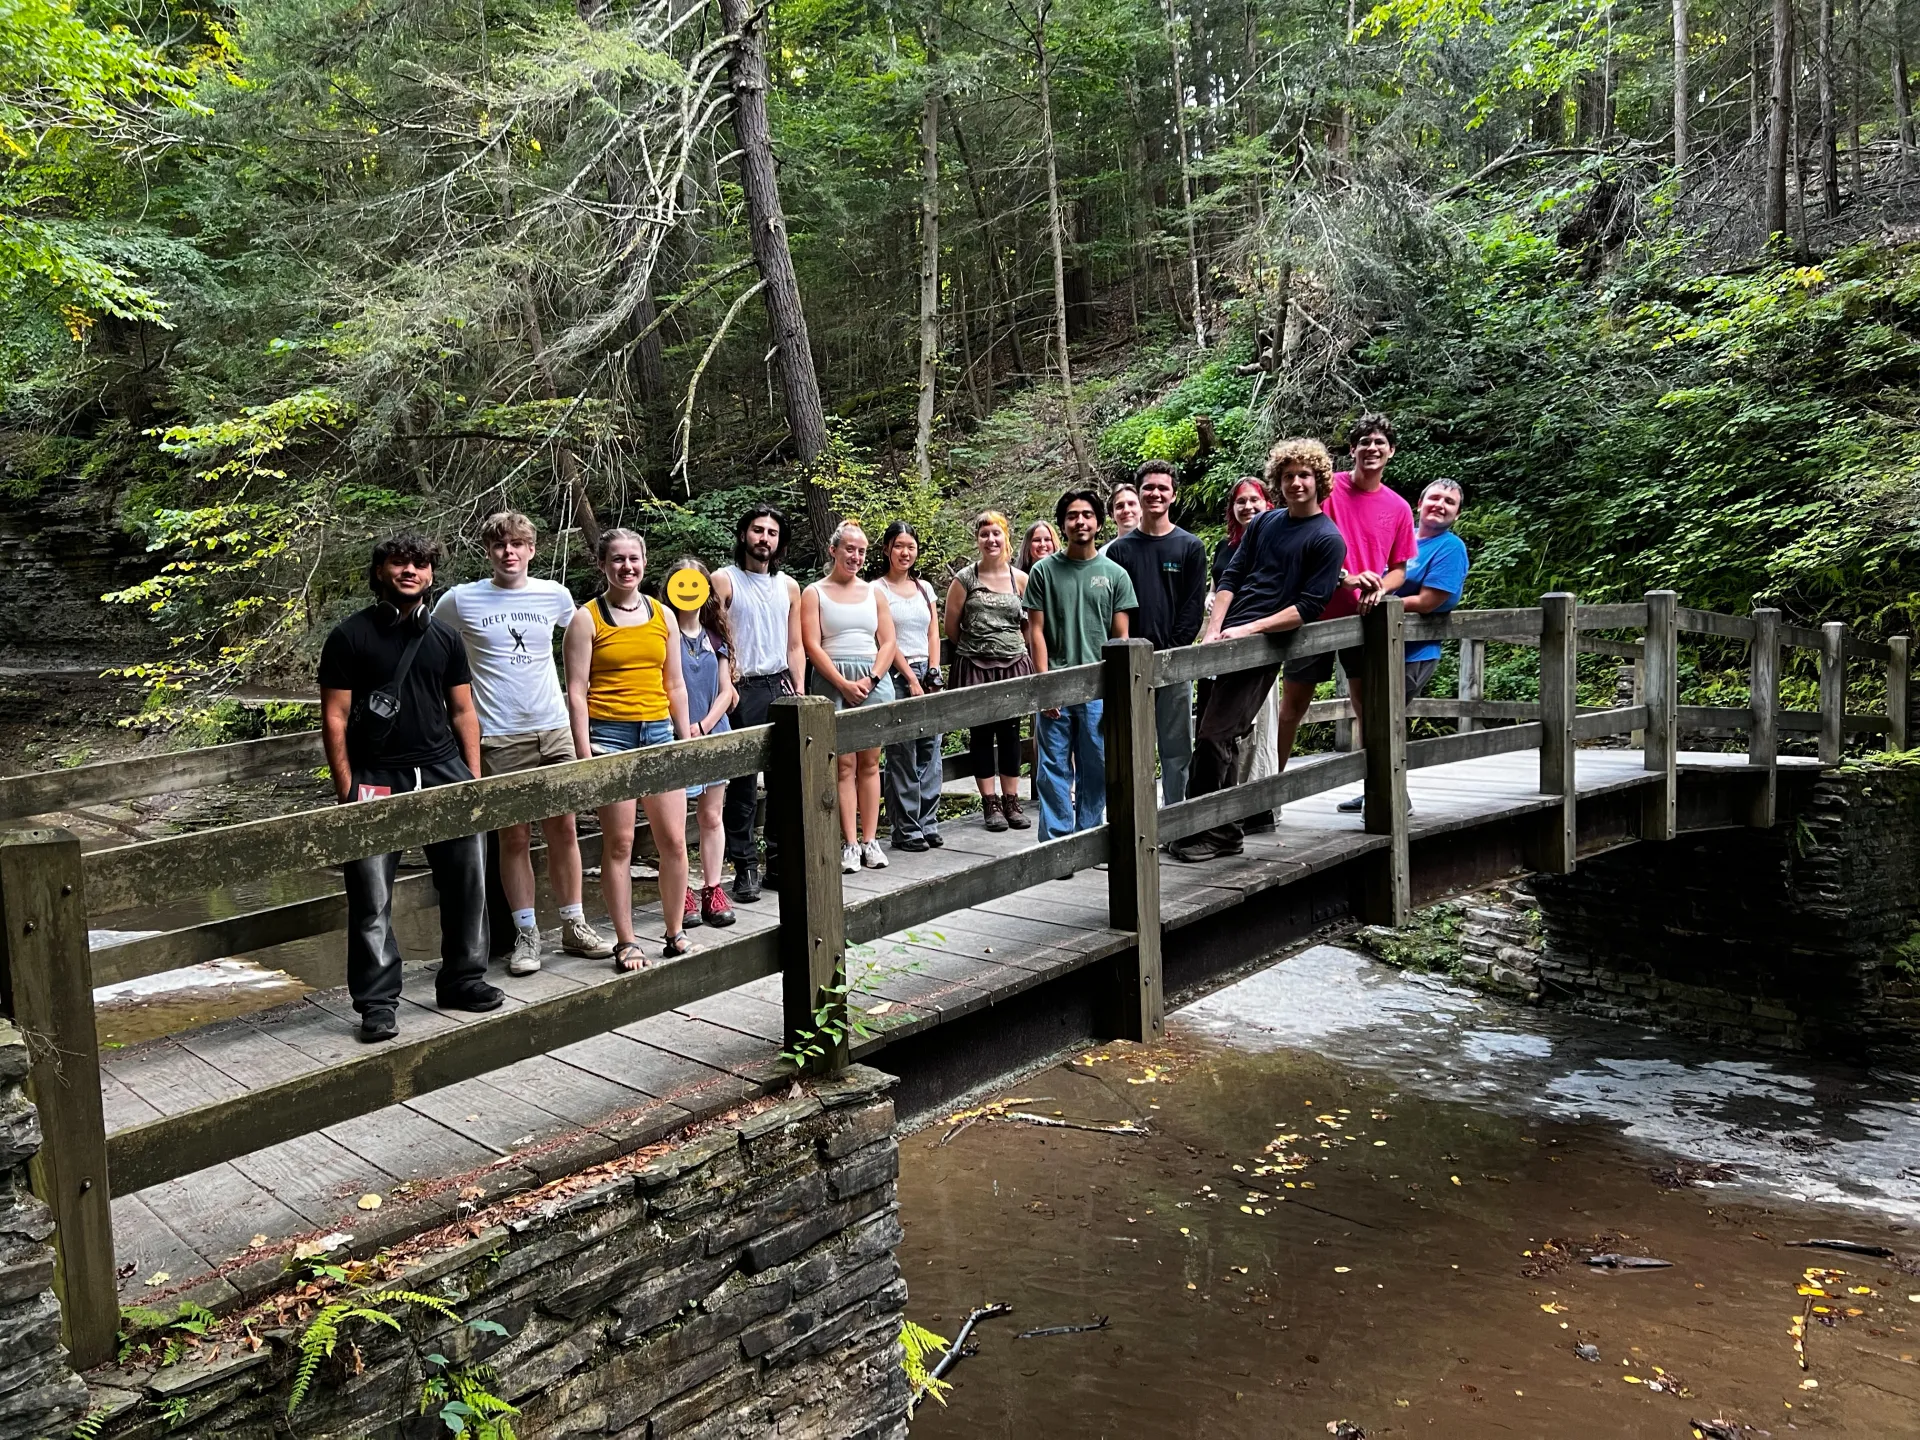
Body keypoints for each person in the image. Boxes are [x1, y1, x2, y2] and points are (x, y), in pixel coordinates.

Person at [319, 532, 501, 1043]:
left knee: (469, 882)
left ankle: (464, 979)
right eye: (399, 563)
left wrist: (472, 778)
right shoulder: (349, 637)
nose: (410, 572)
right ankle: (377, 1003)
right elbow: (334, 718)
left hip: (444, 772)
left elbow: (464, 710)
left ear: (431, 575)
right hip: (376, 777)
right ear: (380, 572)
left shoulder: (444, 637)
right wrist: (347, 787)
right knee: (372, 896)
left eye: (419, 565)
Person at [432, 511, 612, 976]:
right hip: (498, 733)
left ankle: (574, 924)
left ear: (532, 550)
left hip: (553, 727)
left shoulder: (554, 596)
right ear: (489, 552)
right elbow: (432, 649)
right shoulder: (461, 600)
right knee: (514, 837)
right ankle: (526, 935)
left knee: (564, 829)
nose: (508, 552)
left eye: (517, 544)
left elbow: (584, 649)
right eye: (499, 546)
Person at [1169, 440, 1345, 863]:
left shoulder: (1327, 539)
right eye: (1288, 476)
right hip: (1226, 641)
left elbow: (1307, 607)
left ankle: (1208, 827)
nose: (1296, 483)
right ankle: (1221, 830)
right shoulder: (1265, 524)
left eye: (1304, 475)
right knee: (1213, 736)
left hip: (1262, 646)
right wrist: (1214, 630)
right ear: (1278, 482)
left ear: (1319, 481)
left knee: (1217, 736)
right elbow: (1232, 575)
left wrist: (1250, 629)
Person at [563, 529, 694, 970]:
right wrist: (584, 751)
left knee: (673, 841)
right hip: (609, 737)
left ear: (644, 561)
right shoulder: (587, 619)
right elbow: (576, 691)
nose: (627, 567)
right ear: (603, 565)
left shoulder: (663, 616)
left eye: (633, 558)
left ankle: (674, 931)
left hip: (658, 733)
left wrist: (683, 738)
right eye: (617, 559)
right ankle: (626, 940)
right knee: (619, 843)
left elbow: (674, 683)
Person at [1274, 413, 1416, 790]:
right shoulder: (1326, 489)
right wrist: (1342, 578)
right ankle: (1268, 792)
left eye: (1379, 443)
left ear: (1391, 451)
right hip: (1313, 613)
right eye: (1364, 442)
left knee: (1368, 706)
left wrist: (1381, 588)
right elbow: (1299, 541)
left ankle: (1381, 791)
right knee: (1292, 708)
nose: (1372, 449)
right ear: (1351, 450)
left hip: (1364, 619)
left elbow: (1400, 568)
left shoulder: (1399, 507)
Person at [1335, 477, 1471, 812]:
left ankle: (1395, 797)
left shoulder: (1450, 548)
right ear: (1420, 503)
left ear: (1456, 513)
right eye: (1434, 498)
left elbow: (1429, 600)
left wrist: (1380, 600)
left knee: (1386, 718)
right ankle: (1374, 788)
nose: (1439, 505)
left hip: (1414, 652)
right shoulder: (1404, 538)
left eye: (1449, 502)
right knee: (1369, 715)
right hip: (1375, 646)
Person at [1023, 489, 1137, 841]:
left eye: (1087, 514)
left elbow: (1120, 637)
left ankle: (1088, 835)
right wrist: (1044, 686)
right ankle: (1058, 842)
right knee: (1052, 765)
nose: (1080, 521)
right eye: (1072, 516)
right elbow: (1035, 631)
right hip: (1057, 682)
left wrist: (1114, 689)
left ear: (1099, 522)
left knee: (1097, 763)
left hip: (1097, 687)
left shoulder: (1115, 575)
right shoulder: (1044, 572)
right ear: (1063, 523)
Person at [714, 505, 805, 902]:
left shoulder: (789, 586)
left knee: (786, 781)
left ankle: (779, 863)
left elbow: (795, 643)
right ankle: (745, 867)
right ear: (743, 535)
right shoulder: (724, 580)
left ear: (779, 541)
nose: (764, 538)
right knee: (744, 784)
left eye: (771, 532)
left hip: (780, 683)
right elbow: (714, 636)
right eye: (757, 530)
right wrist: (726, 681)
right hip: (742, 686)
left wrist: (799, 687)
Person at [1105, 460, 1207, 804]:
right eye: (1148, 487)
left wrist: (1171, 652)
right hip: (1130, 662)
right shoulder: (1121, 551)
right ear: (1139, 492)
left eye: (1163, 488)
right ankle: (1136, 819)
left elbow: (1193, 608)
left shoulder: (1189, 546)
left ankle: (1175, 819)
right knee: (1133, 745)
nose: (1155, 494)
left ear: (1173, 495)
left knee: (1177, 748)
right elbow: (1115, 608)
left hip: (1174, 661)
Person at [801, 521, 898, 873]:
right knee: (843, 765)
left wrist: (872, 677)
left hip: (871, 678)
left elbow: (887, 641)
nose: (855, 556)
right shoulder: (814, 592)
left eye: (861, 551)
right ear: (834, 550)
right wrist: (842, 683)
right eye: (849, 549)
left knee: (870, 762)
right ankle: (850, 843)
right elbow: (811, 643)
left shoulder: (875, 593)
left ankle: (871, 840)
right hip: (832, 678)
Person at [944, 511, 1032, 833]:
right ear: (977, 540)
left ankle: (1012, 800)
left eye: (996, 533)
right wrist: (979, 647)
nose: (990, 540)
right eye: (984, 535)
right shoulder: (964, 579)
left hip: (1013, 665)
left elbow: (1029, 624)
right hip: (975, 665)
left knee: (1010, 731)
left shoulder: (1018, 579)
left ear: (1005, 536)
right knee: (981, 733)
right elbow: (951, 627)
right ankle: (990, 803)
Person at [663, 556, 738, 927]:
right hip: (674, 738)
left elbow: (726, 691)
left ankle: (713, 888)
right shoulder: (662, 632)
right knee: (676, 824)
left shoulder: (715, 636)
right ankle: (684, 891)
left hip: (713, 733)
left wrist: (704, 725)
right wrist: (682, 728)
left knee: (711, 816)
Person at [1211, 478, 1283, 834]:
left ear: (1268, 503)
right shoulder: (1225, 547)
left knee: (1260, 727)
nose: (1248, 507)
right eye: (1241, 502)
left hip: (1259, 641)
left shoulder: (1274, 545)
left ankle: (1260, 807)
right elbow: (1218, 588)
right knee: (1228, 729)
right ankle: (1231, 805)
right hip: (1223, 642)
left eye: (1255, 500)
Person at [874, 521, 944, 852]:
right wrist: (912, 678)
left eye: (911, 546)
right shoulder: (877, 590)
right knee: (902, 752)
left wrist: (932, 669)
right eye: (899, 545)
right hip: (896, 675)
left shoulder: (924, 588)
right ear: (887, 548)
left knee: (931, 750)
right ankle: (906, 828)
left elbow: (933, 631)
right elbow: (885, 638)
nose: (905, 552)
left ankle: (928, 821)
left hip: (927, 672)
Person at [1104, 483, 1141, 552]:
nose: (1126, 510)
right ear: (1112, 515)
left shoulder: (1159, 546)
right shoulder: (1104, 553)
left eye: (1131, 504)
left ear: (1142, 510)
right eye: (1120, 506)